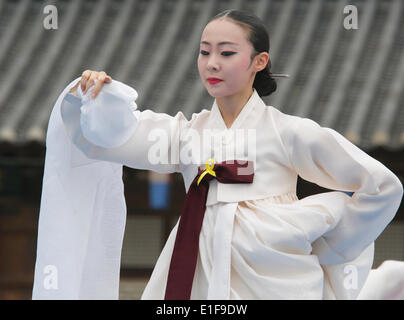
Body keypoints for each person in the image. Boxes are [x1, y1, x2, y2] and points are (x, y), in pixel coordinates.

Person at [33, 9, 403, 300]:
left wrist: (328, 244)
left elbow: (382, 187)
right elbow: (118, 136)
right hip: (198, 268)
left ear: (259, 61)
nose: (212, 63)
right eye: (204, 51)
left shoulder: (290, 132)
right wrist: (98, 98)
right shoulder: (184, 135)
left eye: (227, 53)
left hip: (275, 273)